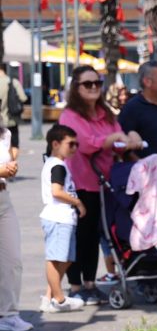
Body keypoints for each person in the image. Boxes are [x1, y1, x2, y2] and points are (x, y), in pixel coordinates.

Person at [59, 65, 144, 305]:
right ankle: (75, 286)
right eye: (88, 84)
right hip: (81, 184)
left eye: (97, 83)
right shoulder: (70, 116)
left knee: (98, 235)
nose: (94, 87)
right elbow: (82, 144)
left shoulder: (105, 114)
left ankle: (90, 284)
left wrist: (130, 138)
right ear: (76, 88)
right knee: (81, 236)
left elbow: (120, 136)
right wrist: (112, 140)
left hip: (105, 184)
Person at [39, 124, 86, 313]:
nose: (75, 148)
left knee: (65, 258)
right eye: (71, 144)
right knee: (55, 258)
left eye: (76, 144)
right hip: (58, 217)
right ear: (55, 144)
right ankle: (58, 300)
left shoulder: (56, 163)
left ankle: (49, 296)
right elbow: (57, 192)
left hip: (63, 218)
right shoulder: (57, 165)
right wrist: (78, 202)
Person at [0, 119, 33, 331]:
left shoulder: (5, 134)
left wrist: (10, 168)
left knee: (12, 260)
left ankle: (8, 314)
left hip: (3, 200)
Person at [118, 60, 157, 159]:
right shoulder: (132, 108)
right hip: (148, 172)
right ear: (147, 82)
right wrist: (142, 166)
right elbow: (124, 146)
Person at [0, 64, 27, 162]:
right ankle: (10, 167)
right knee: (14, 146)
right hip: (11, 120)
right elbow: (23, 97)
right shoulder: (13, 82)